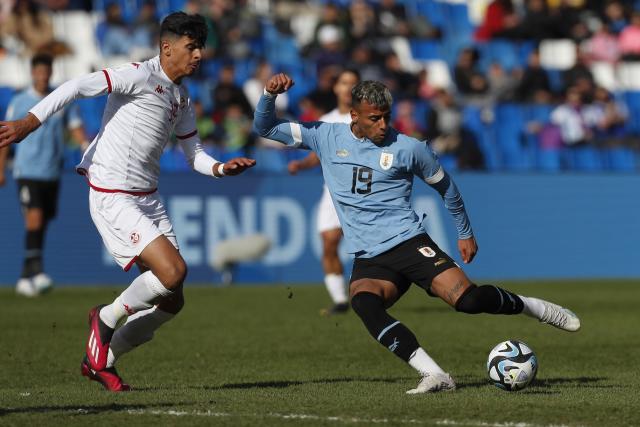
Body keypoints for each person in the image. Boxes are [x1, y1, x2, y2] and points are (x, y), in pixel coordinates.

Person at [254, 74, 581, 394]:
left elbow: (447, 188)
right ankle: (435, 374)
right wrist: (269, 96)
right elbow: (265, 127)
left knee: (467, 301)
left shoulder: (409, 148)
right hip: (369, 256)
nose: (383, 125)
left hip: (409, 243)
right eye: (374, 118)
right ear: (354, 115)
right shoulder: (325, 136)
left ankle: (533, 308)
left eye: (386, 117)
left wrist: (465, 232)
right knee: (364, 304)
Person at [0, 12, 256, 392]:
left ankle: (100, 359)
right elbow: (75, 86)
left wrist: (219, 169)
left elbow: (194, 153)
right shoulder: (137, 75)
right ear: (166, 47)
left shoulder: (183, 97)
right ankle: (104, 319)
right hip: (112, 193)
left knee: (172, 301)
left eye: (200, 47)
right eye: (191, 47)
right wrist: (29, 122)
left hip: (147, 197)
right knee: (173, 272)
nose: (199, 54)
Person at [0, 53, 87, 297]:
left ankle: (25, 277)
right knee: (34, 218)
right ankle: (37, 272)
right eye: (39, 71)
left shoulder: (59, 101)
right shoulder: (20, 101)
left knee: (41, 224)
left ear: (50, 72)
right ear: (33, 73)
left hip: (51, 171)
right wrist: (1, 169)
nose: (43, 75)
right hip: (27, 170)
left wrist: (85, 147)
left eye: (46, 71)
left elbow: (75, 127)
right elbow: (6, 137)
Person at [287, 68, 360, 315]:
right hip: (333, 191)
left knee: (370, 249)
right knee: (329, 243)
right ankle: (340, 300)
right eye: (344, 82)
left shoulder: (366, 119)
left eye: (353, 83)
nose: (348, 87)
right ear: (336, 88)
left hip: (361, 191)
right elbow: (317, 156)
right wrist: (301, 164)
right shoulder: (327, 121)